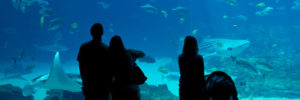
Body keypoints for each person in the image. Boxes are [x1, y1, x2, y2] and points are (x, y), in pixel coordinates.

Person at [77, 23, 112, 100]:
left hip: (89, 85)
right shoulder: (107, 49)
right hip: (103, 86)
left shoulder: (84, 47)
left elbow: (81, 67)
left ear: (91, 33)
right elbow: (110, 70)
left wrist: (84, 82)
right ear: (102, 33)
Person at [108, 36, 141, 100]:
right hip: (132, 87)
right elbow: (142, 54)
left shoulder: (110, 57)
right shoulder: (128, 54)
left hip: (119, 88)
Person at [178, 36, 205, 100]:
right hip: (196, 89)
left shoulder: (180, 57)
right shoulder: (199, 58)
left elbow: (182, 73)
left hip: (184, 88)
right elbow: (201, 76)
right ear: (195, 45)